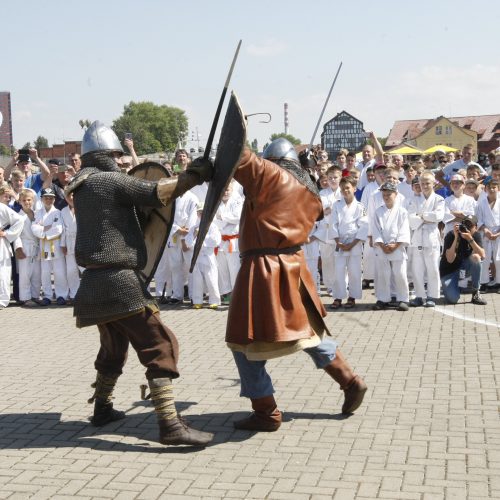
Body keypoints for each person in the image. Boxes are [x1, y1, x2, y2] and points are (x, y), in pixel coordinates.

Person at [67, 121, 213, 446]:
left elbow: (125, 218)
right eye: (116, 156)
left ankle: (102, 409)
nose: (121, 162)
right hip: (119, 282)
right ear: (103, 155)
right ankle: (170, 425)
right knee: (160, 345)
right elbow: (156, 192)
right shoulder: (109, 182)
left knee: (113, 348)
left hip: (94, 283)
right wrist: (193, 176)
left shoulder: (83, 184)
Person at [225, 138, 367, 432]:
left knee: (242, 341)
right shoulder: (311, 193)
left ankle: (266, 412)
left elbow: (240, 156)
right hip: (295, 267)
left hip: (264, 270)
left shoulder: (270, 175)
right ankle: (350, 381)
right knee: (312, 334)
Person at [406, 172, 445, 307]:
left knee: (433, 267)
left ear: (433, 183)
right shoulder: (414, 200)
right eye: (422, 183)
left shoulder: (439, 199)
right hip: (417, 238)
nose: (425, 186)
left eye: (428, 183)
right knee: (417, 269)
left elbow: (438, 216)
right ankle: (419, 295)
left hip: (431, 238)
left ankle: (432, 296)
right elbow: (411, 220)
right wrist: (426, 218)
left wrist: (421, 215)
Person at [329, 176, 368, 309]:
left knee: (355, 271)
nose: (345, 190)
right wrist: (337, 241)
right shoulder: (336, 205)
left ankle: (352, 297)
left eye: (348, 188)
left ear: (354, 189)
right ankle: (338, 297)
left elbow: (363, 227)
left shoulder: (360, 206)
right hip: (340, 243)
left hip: (354, 244)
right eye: (343, 188)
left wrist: (352, 243)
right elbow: (332, 224)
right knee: (339, 271)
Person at [371, 182, 411, 311]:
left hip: (397, 247)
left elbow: (404, 231)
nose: (386, 197)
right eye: (384, 194)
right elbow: (376, 230)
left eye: (389, 194)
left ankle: (403, 299)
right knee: (383, 274)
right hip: (382, 248)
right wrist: (383, 245)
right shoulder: (378, 211)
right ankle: (383, 299)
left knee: (400, 274)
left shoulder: (402, 212)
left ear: (396, 194)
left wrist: (396, 245)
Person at [31, 187, 68, 306]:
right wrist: (46, 228)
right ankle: (47, 295)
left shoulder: (58, 212)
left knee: (59, 272)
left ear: (54, 199)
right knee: (45, 273)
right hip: (43, 247)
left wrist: (43, 229)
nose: (48, 200)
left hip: (56, 246)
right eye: (46, 198)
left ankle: (61, 295)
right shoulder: (38, 213)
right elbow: (34, 228)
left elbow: (58, 229)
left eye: (51, 198)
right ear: (41, 199)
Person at [440, 215, 486, 305]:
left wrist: (470, 239)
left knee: (476, 257)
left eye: (470, 225)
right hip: (449, 271)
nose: (467, 228)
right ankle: (454, 287)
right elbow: (449, 259)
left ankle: (475, 292)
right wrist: (456, 238)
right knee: (453, 299)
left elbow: (482, 255)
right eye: (465, 224)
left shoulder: (475, 235)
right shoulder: (451, 235)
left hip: (464, 267)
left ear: (476, 228)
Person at [185, 203, 221, 309]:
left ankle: (214, 300)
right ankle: (197, 300)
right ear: (197, 214)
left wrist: (202, 237)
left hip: (208, 256)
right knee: (197, 280)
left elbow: (215, 241)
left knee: (211, 279)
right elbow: (188, 243)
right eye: (200, 213)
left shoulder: (213, 226)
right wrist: (195, 235)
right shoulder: (194, 228)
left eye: (203, 212)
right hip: (197, 256)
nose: (201, 214)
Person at [214, 181, 242, 304]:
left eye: (228, 190)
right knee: (222, 268)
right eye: (224, 190)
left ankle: (237, 294)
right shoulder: (216, 203)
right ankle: (226, 293)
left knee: (234, 268)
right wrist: (225, 218)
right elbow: (214, 220)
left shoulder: (237, 200)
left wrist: (223, 217)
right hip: (220, 240)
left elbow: (238, 217)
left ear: (232, 189)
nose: (225, 192)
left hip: (233, 241)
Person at [476, 177, 500, 287]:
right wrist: (485, 230)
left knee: (498, 258)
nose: (492, 189)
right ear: (485, 189)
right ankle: (484, 282)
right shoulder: (481, 203)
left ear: (498, 189)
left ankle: (498, 282)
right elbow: (479, 220)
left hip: (498, 233)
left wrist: (497, 234)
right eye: (489, 187)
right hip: (485, 233)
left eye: (494, 187)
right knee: (485, 259)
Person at [0, 202, 23, 308]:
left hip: (1, 244)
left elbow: (19, 220)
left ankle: (2, 300)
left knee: (2, 274)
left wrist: (7, 233)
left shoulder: (2, 207)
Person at [60, 192, 80, 303]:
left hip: (81, 241)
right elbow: (62, 229)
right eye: (69, 196)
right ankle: (74, 294)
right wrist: (63, 244)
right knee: (71, 270)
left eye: (73, 195)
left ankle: (87, 294)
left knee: (84, 269)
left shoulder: (83, 207)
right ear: (65, 197)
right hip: (69, 243)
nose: (71, 198)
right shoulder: (63, 211)